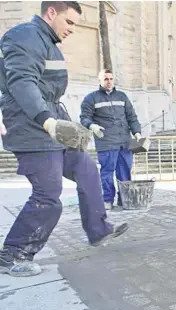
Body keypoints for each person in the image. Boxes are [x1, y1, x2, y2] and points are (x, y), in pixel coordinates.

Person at [0, 1, 128, 278]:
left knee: (87, 170)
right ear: (51, 13)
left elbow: (49, 91)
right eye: (69, 22)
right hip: (32, 129)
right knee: (48, 195)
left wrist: (68, 124)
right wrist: (47, 121)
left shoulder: (47, 42)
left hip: (52, 126)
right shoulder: (25, 36)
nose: (72, 29)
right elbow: (22, 82)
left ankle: (98, 230)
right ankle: (13, 253)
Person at [80, 69, 142, 210]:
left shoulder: (122, 96)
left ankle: (124, 199)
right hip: (106, 142)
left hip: (124, 142)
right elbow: (84, 117)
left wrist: (137, 132)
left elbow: (131, 116)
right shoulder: (92, 98)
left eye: (111, 79)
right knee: (107, 173)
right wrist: (92, 125)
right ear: (100, 81)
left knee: (125, 172)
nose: (109, 82)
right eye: (106, 79)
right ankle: (107, 199)